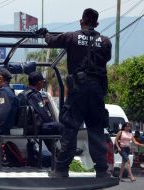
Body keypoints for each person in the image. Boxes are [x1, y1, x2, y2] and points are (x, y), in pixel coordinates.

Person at [44, 8, 112, 178]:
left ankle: (61, 169)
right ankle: (102, 170)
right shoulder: (105, 41)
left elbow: (51, 41)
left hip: (78, 90)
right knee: (96, 129)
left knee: (70, 128)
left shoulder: (71, 37)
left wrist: (44, 33)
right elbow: (107, 58)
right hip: (97, 90)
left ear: (81, 21)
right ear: (96, 23)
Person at [18, 71, 62, 153]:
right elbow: (44, 114)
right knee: (60, 126)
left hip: (27, 128)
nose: (42, 84)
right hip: (34, 128)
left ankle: (56, 152)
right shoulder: (34, 95)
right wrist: (51, 122)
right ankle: (67, 150)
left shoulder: (22, 94)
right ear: (39, 82)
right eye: (42, 82)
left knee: (47, 128)